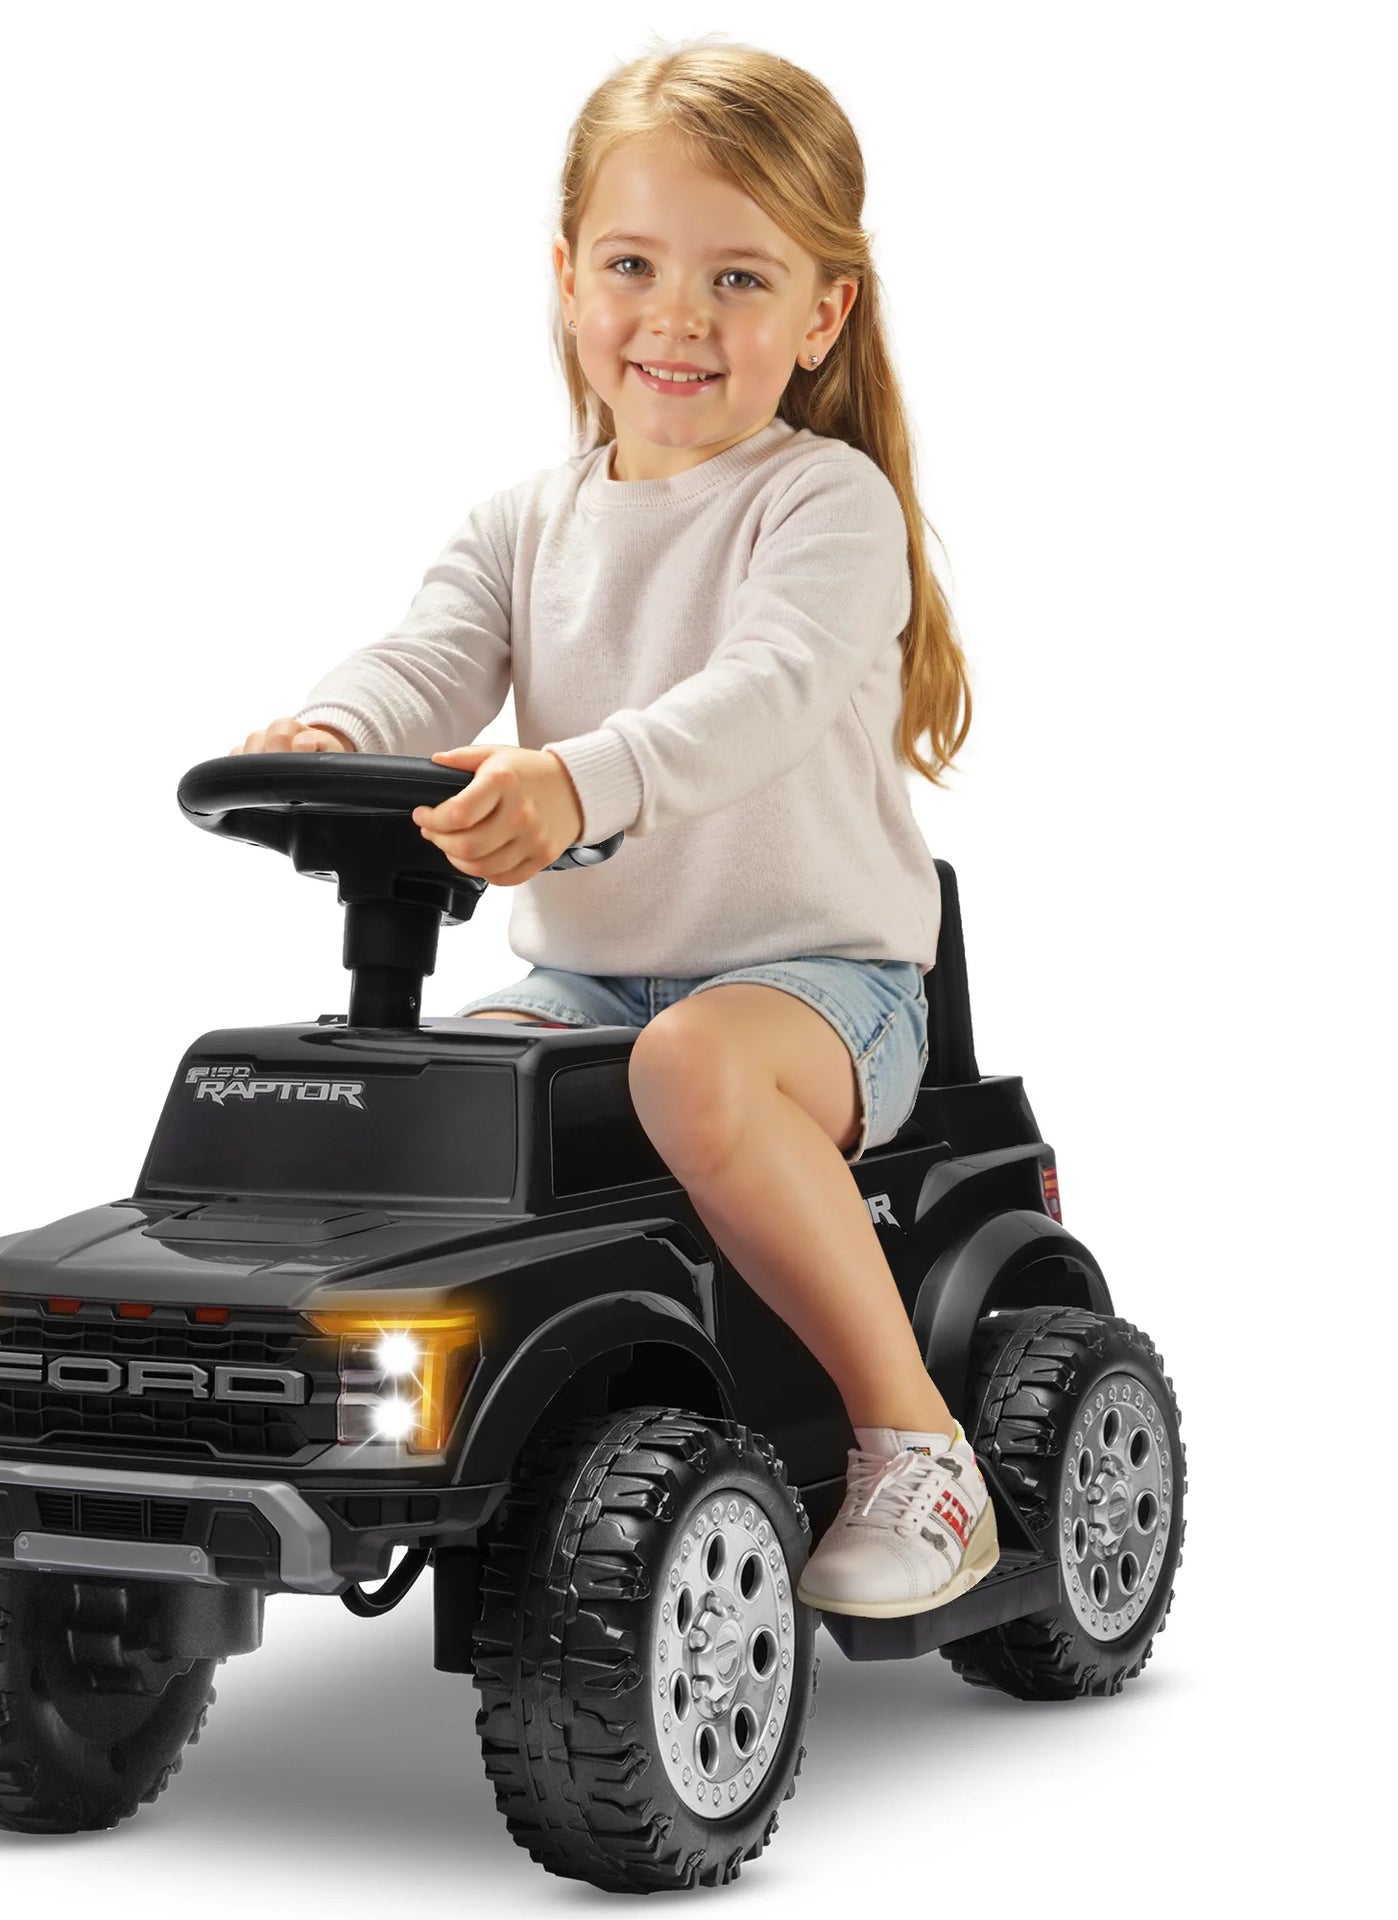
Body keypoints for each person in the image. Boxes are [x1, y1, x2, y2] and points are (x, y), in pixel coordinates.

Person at [231, 38, 988, 1619]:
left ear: (822, 313)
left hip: (820, 986)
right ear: (569, 277)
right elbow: (428, 655)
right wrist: (333, 731)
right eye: (635, 266)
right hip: (586, 988)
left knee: (692, 1065)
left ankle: (917, 1446)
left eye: (738, 279)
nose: (677, 318)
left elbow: (760, 696)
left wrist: (576, 782)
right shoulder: (527, 523)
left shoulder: (825, 508)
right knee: (424, 1115)